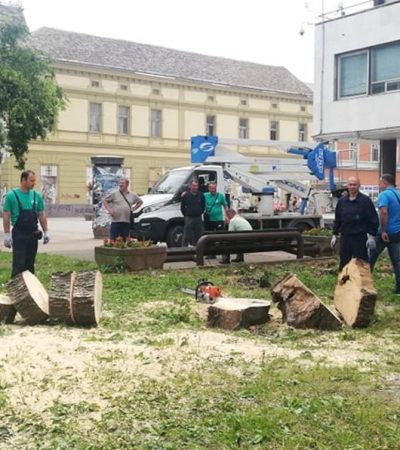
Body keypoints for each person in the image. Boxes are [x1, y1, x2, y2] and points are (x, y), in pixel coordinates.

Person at [2, 170, 49, 278]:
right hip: (19, 235)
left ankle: (30, 290)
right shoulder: (11, 196)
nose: (34, 183)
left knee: (30, 264)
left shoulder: (37, 196)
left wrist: (46, 231)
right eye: (31, 181)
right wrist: (7, 235)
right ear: (23, 180)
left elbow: (41, 214)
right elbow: (6, 216)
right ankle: (16, 290)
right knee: (19, 264)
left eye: (34, 181)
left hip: (33, 234)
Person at [331, 176, 379, 271]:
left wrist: (372, 236)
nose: (352, 187)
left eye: (354, 184)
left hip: (359, 238)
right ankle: (344, 284)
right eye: (350, 184)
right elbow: (338, 219)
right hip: (345, 237)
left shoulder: (365, 201)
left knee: (361, 264)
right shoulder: (342, 201)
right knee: (344, 264)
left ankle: (362, 284)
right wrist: (334, 234)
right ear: (347, 186)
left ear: (359, 186)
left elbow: (372, 218)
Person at [369, 174, 400, 294]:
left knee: (370, 259)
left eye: (379, 183)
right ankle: (399, 290)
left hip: (385, 233)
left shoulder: (384, 195)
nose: (379, 185)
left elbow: (384, 213)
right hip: (397, 233)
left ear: (385, 183)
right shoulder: (398, 194)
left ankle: (364, 285)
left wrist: (383, 231)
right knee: (397, 262)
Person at [204, 182, 228, 261]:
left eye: (214, 188)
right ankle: (211, 254)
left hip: (219, 220)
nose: (213, 190)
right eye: (211, 188)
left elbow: (225, 206)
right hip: (209, 220)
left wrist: (226, 217)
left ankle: (223, 254)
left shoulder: (220, 196)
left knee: (221, 237)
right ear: (208, 188)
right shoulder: (205, 195)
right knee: (209, 238)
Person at [180, 180, 205, 247]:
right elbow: (182, 207)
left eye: (196, 186)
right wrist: (186, 215)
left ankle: (198, 251)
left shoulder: (201, 195)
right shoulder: (186, 195)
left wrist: (200, 212)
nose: (195, 187)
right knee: (186, 236)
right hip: (189, 218)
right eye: (194, 186)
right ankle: (183, 251)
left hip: (198, 218)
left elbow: (203, 206)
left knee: (198, 236)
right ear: (190, 186)